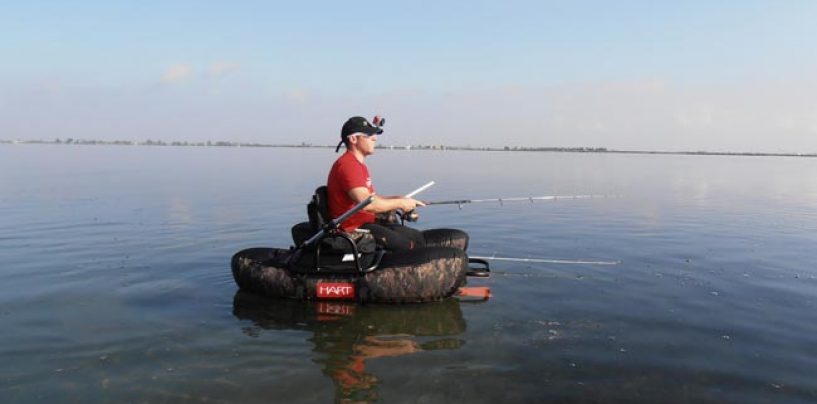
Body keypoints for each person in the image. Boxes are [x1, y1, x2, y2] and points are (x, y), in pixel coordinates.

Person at [327, 115, 425, 250]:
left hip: (365, 222)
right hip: (354, 228)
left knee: (418, 238)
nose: (375, 138)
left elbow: (372, 198)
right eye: (368, 135)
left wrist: (400, 199)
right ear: (353, 139)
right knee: (410, 246)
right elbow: (365, 203)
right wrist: (401, 204)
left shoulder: (358, 165)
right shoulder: (348, 165)